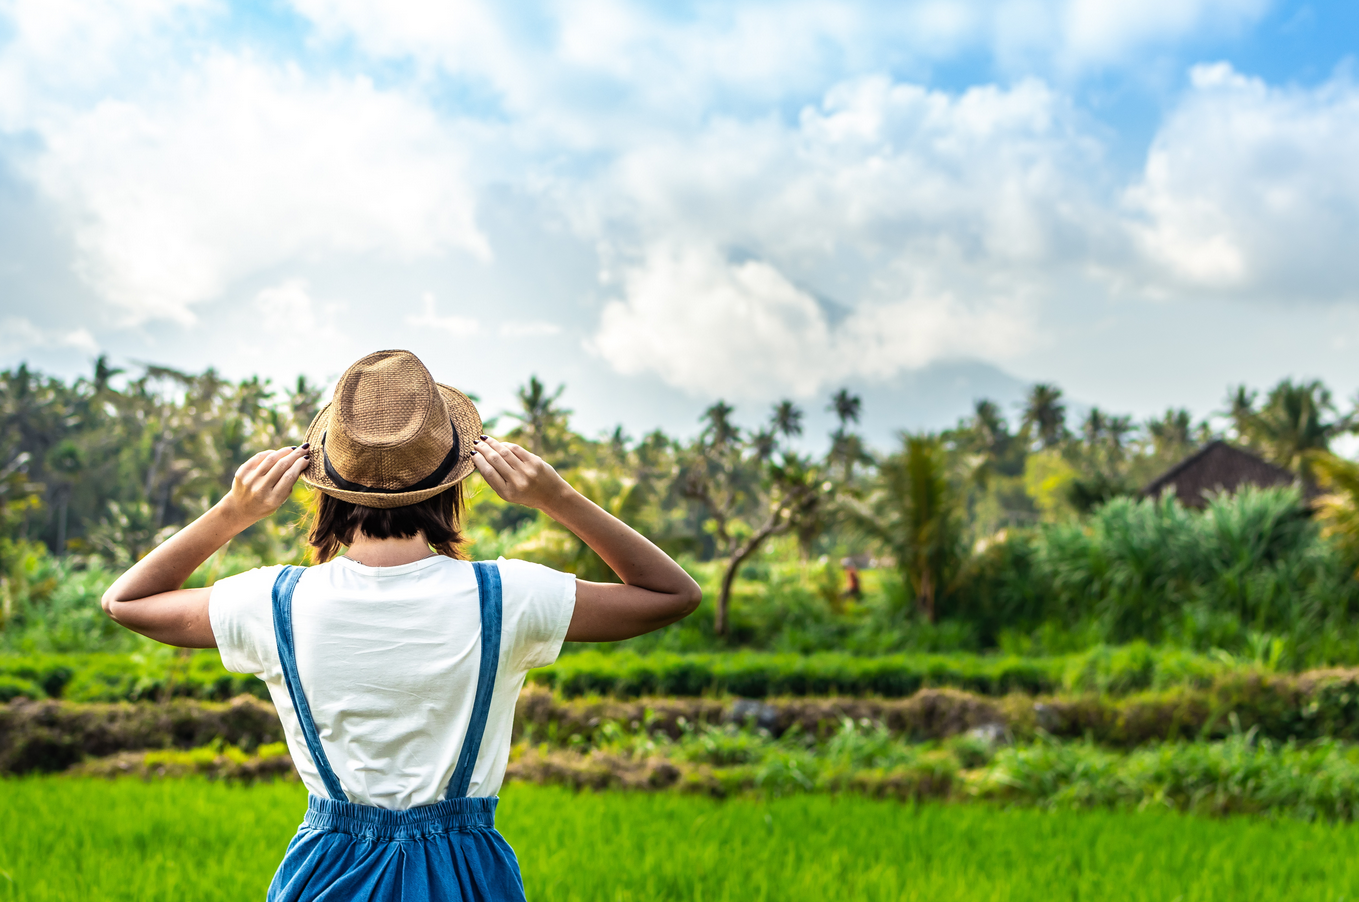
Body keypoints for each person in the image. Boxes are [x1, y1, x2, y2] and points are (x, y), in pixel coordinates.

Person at [100, 349, 702, 901]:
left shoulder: (273, 601)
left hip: (325, 874)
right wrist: (558, 497)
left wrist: (235, 511)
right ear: (454, 483)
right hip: (466, 876)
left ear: (325, 484)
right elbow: (670, 594)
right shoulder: (507, 594)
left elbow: (126, 602)